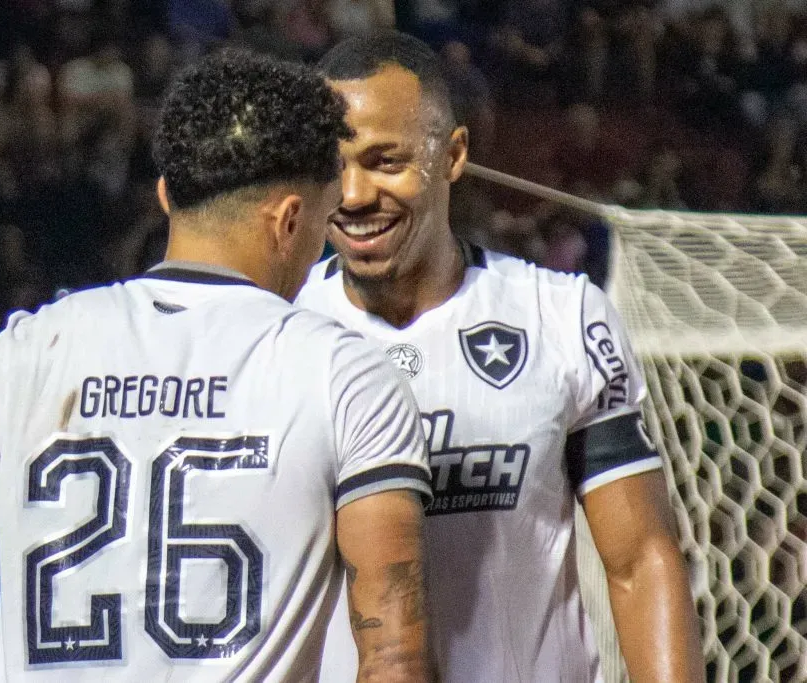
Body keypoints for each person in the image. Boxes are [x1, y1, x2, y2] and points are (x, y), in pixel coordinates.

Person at [0, 49, 435, 683]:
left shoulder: (25, 350)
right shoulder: (348, 376)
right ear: (290, 219)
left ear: (166, 196)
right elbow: (395, 658)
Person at [298, 32, 706, 683]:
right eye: (330, 163)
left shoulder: (561, 317)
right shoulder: (278, 331)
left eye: (385, 161)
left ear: (452, 155)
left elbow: (639, 559)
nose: (352, 194)